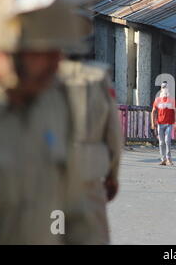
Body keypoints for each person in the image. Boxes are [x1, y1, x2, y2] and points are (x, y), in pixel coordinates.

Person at [0, 0, 97, 244]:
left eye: (59, 51)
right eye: (43, 52)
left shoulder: (55, 103)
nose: (56, 63)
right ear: (5, 48)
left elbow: (75, 210)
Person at [58, 57, 122, 244]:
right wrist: (113, 175)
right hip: (88, 176)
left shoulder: (38, 74)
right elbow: (113, 134)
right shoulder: (98, 76)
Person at [151, 82, 176, 166]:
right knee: (161, 142)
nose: (165, 89)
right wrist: (153, 123)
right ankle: (163, 159)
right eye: (163, 87)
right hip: (160, 123)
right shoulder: (157, 100)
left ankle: (169, 159)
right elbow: (153, 111)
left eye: (166, 87)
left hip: (169, 123)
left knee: (167, 141)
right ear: (161, 89)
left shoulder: (172, 100)